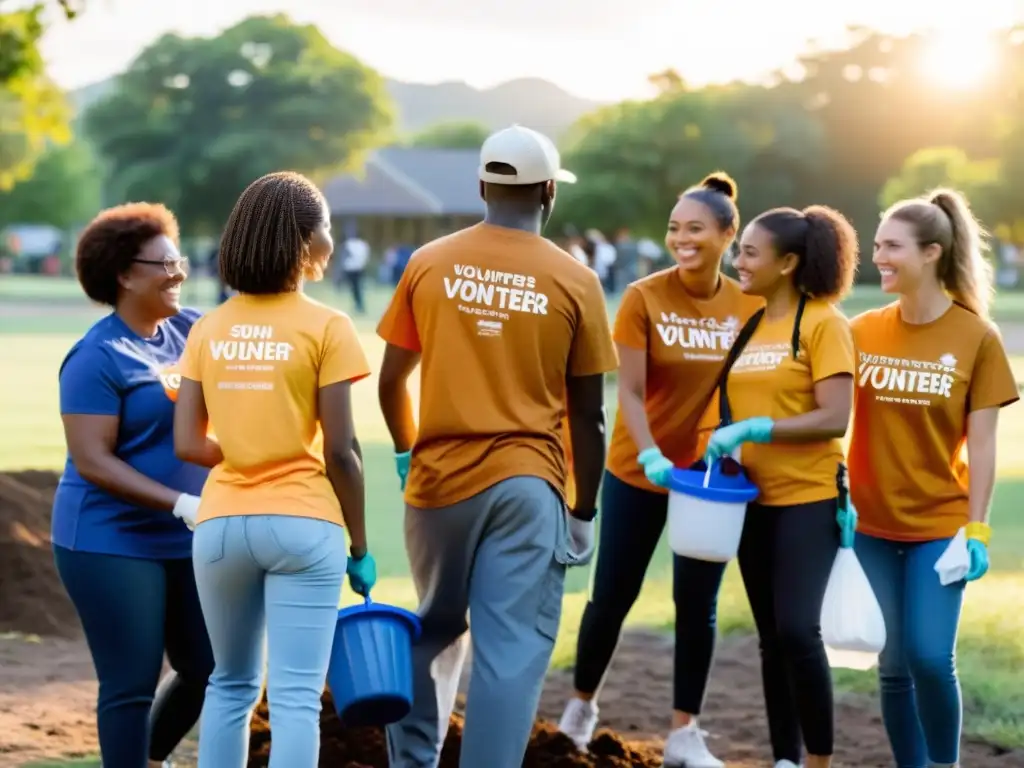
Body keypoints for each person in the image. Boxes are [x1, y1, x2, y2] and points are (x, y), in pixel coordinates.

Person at [377, 124, 619, 768]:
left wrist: (407, 454)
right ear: (547, 192)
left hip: (436, 483)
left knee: (430, 629)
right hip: (527, 483)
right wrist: (584, 510)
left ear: (483, 185)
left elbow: (392, 379)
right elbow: (589, 416)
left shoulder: (428, 261)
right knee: (510, 650)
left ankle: (413, 761)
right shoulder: (576, 280)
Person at [557, 173, 762, 767]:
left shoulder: (750, 303)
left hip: (707, 478)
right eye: (675, 229)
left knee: (696, 603)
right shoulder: (645, 296)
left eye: (696, 229)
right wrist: (649, 453)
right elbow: (630, 390)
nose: (682, 239)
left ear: (728, 235)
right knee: (612, 596)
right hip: (637, 466)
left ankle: (684, 733)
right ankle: (580, 705)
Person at [173, 171, 376, 768]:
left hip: (220, 527)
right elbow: (342, 452)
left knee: (229, 685)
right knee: (294, 699)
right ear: (305, 240)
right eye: (328, 229)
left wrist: (242, 450)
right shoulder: (328, 326)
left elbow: (187, 442)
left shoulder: (208, 327)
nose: (333, 242)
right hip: (303, 525)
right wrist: (359, 546)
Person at [848, 189, 1019, 768]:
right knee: (892, 665)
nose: (879, 257)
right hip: (868, 525)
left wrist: (978, 529)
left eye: (892, 246)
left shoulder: (977, 338)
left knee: (927, 656)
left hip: (939, 527)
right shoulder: (861, 330)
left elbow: (986, 442)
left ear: (932, 253)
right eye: (877, 246)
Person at [51, 203, 213, 768]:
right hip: (110, 540)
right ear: (124, 274)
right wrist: (181, 502)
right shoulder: (96, 356)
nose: (179, 273)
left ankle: (147, 758)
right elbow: (92, 460)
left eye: (180, 260)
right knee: (130, 682)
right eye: (165, 263)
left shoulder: (194, 330)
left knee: (208, 667)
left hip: (188, 533)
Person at [702, 204, 860, 768]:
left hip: (808, 500)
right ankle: (784, 759)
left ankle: (818, 760)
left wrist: (760, 427)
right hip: (751, 503)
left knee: (797, 630)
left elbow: (834, 417)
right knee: (771, 638)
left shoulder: (824, 324)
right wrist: (725, 438)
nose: (737, 260)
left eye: (749, 251)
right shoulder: (752, 325)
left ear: (788, 262)